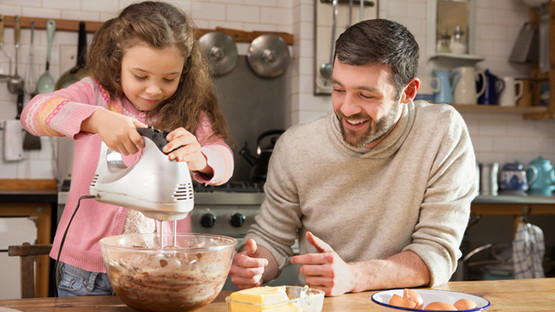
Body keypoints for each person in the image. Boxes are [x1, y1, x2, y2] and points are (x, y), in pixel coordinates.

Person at [229, 19, 477, 296]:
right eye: (338, 89)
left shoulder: (442, 132)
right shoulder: (296, 147)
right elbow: (272, 238)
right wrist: (256, 264)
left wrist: (354, 277)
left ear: (408, 92)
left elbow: (436, 251)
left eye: (365, 95)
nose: (347, 108)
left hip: (409, 303)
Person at [21, 1, 234, 296]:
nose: (154, 89)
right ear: (117, 62)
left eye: (169, 79)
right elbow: (33, 113)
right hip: (88, 274)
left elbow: (223, 155)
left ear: (184, 73)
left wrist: (201, 158)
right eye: (141, 76)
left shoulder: (190, 111)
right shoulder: (94, 95)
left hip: (162, 265)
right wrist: (94, 119)